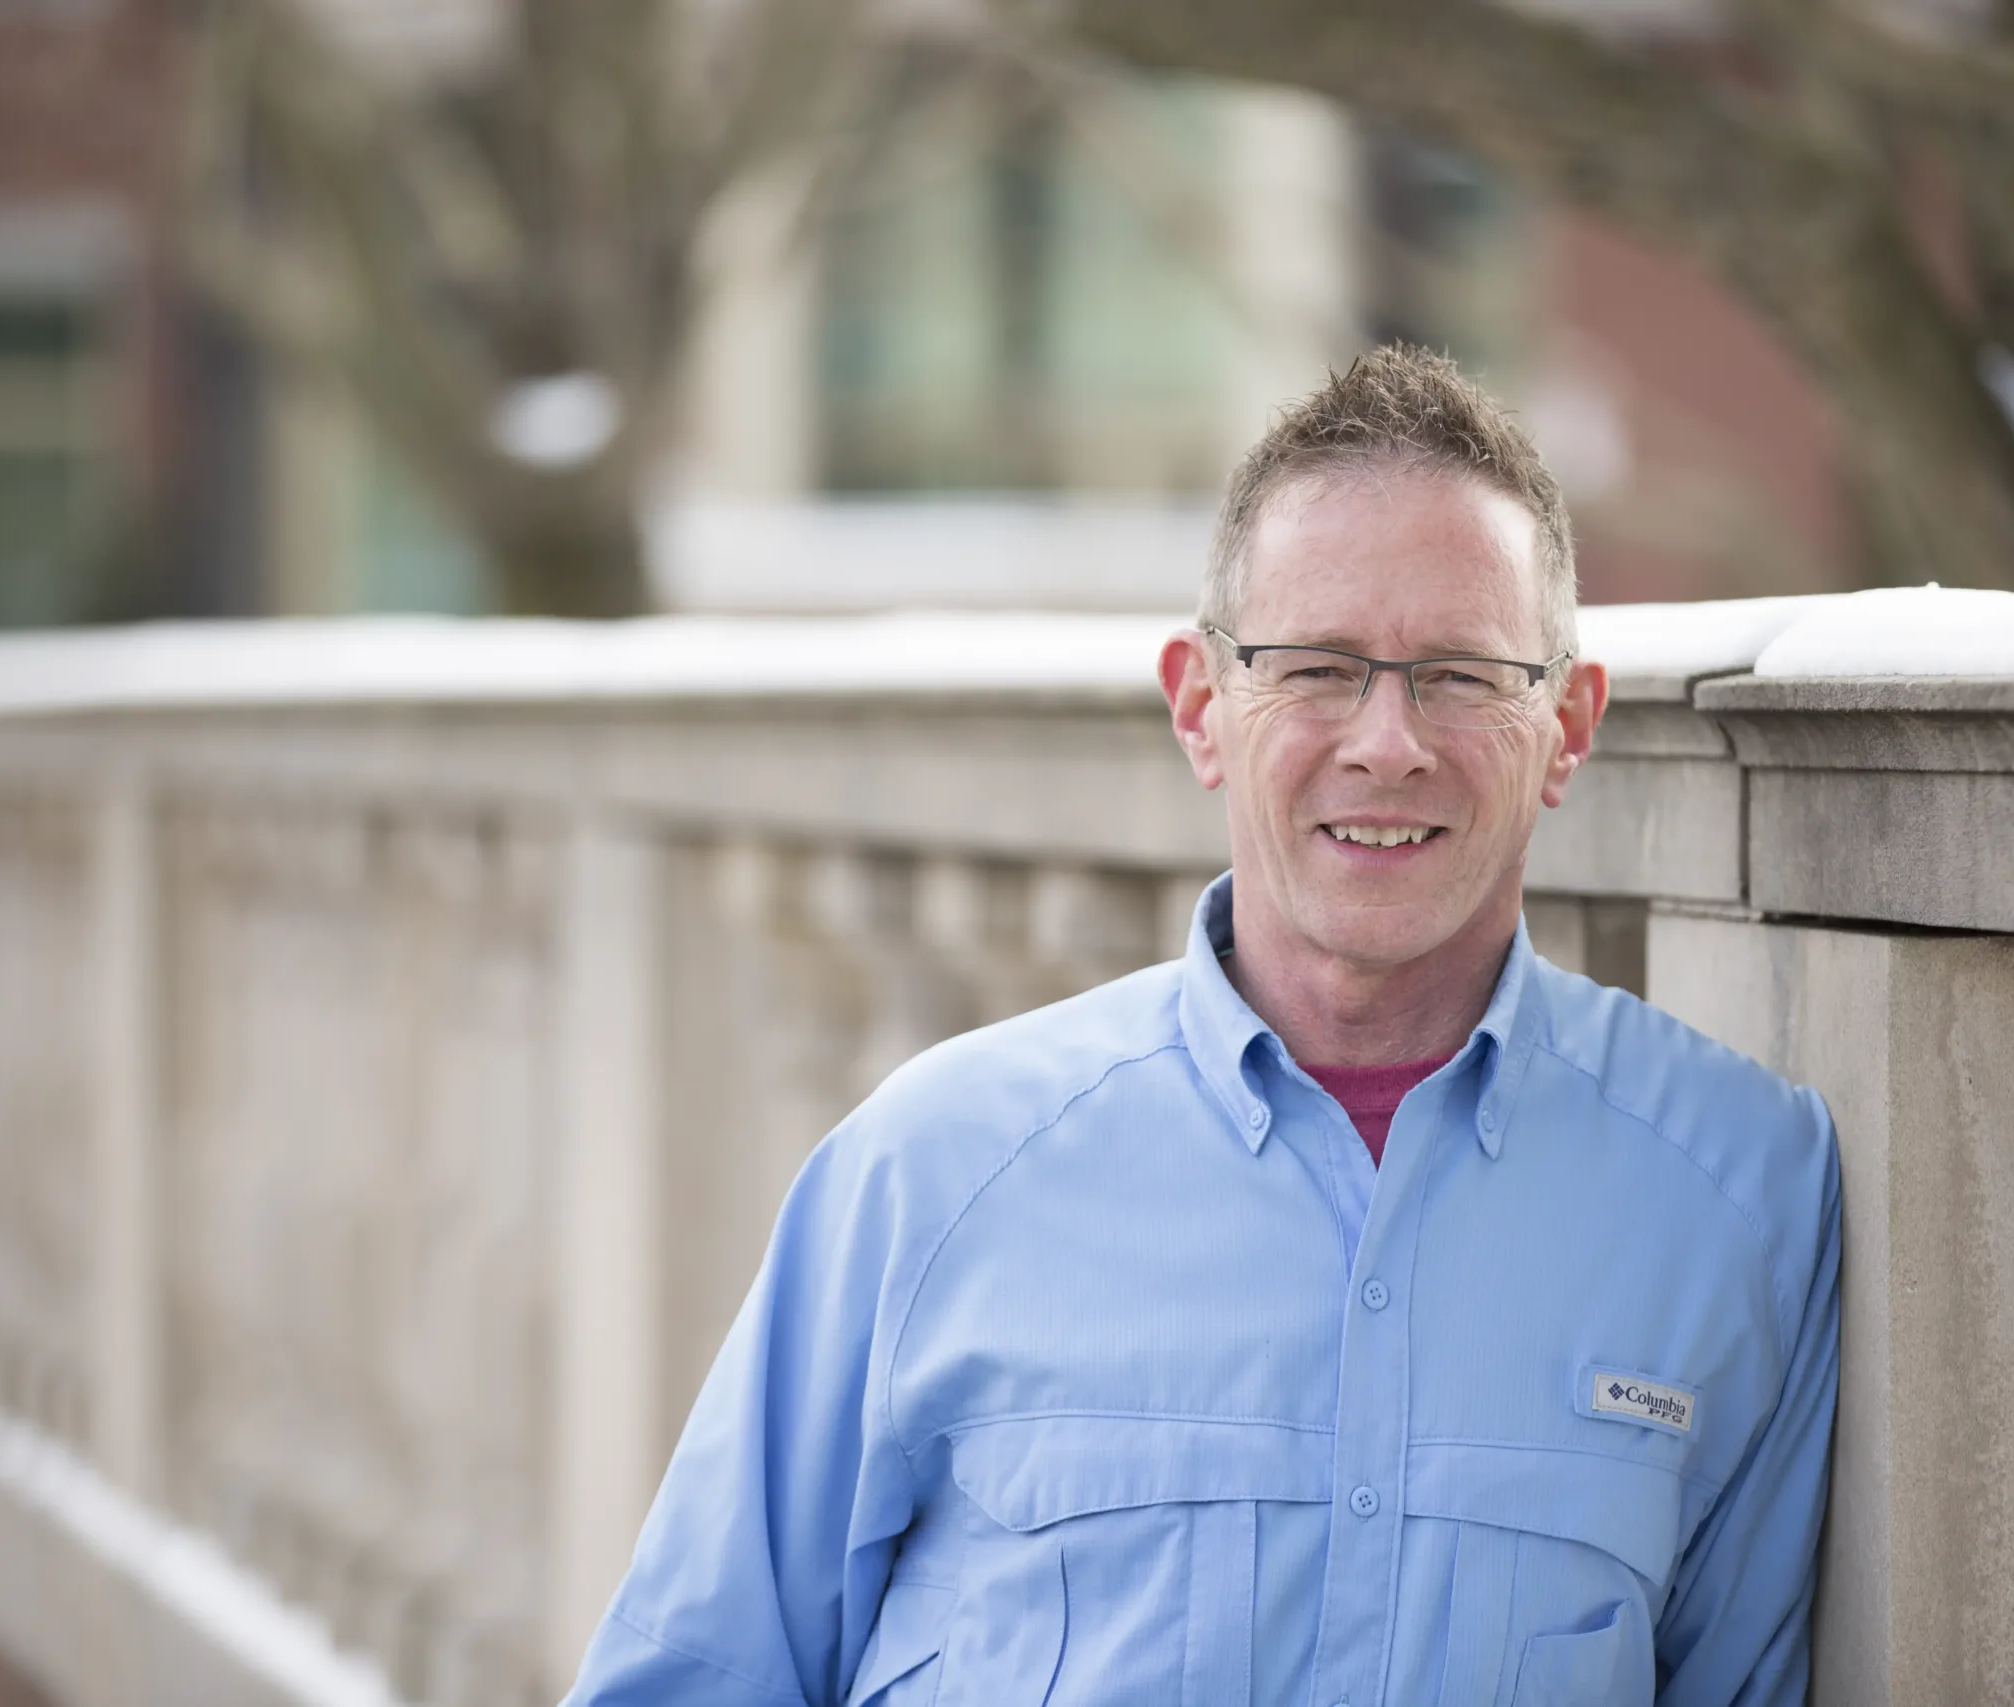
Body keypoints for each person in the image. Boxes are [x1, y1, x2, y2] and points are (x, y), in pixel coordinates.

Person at [562, 345, 1842, 1707]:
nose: (1389, 740)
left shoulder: (1740, 1198)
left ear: (1569, 724)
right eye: (1321, 668)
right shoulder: (928, 1174)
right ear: (1200, 703)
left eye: (1463, 675)